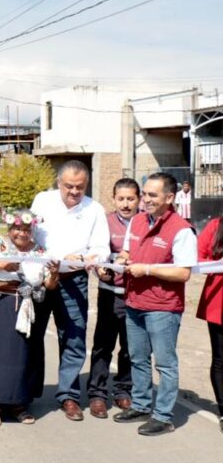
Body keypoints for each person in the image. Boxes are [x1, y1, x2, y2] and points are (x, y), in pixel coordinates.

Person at [114, 172, 195, 435]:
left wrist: (147, 269)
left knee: (165, 363)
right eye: (144, 194)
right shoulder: (137, 221)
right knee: (137, 358)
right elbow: (128, 251)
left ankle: (163, 416)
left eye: (152, 195)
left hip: (163, 307)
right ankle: (140, 404)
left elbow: (183, 272)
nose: (145, 199)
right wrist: (123, 259)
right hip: (135, 302)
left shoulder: (182, 230)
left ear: (170, 198)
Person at [30, 160, 110, 421]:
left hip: (74, 281)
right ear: (58, 183)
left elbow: (101, 246)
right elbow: (31, 239)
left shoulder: (94, 209)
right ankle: (26, 392)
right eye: (69, 186)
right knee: (32, 334)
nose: (75, 191)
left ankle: (69, 396)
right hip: (41, 276)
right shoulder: (42, 201)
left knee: (74, 338)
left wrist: (93, 257)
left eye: (80, 187)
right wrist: (59, 256)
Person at [0, 210, 59, 427]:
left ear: (32, 230)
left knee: (24, 354)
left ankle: (20, 403)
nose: (21, 233)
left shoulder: (40, 252)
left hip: (29, 305)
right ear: (10, 228)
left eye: (26, 229)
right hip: (1, 302)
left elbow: (49, 285)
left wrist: (55, 274)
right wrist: (2, 265)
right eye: (17, 228)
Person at [87, 178, 139, 418]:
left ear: (138, 199)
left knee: (130, 348)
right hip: (110, 295)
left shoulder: (145, 223)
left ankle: (123, 391)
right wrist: (101, 269)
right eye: (121, 198)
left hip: (137, 296)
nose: (126, 204)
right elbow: (96, 251)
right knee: (103, 345)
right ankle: (97, 394)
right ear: (113, 198)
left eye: (131, 199)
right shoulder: (104, 222)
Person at [196, 204, 223, 434]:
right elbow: (198, 258)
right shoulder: (215, 226)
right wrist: (217, 267)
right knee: (220, 360)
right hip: (219, 302)